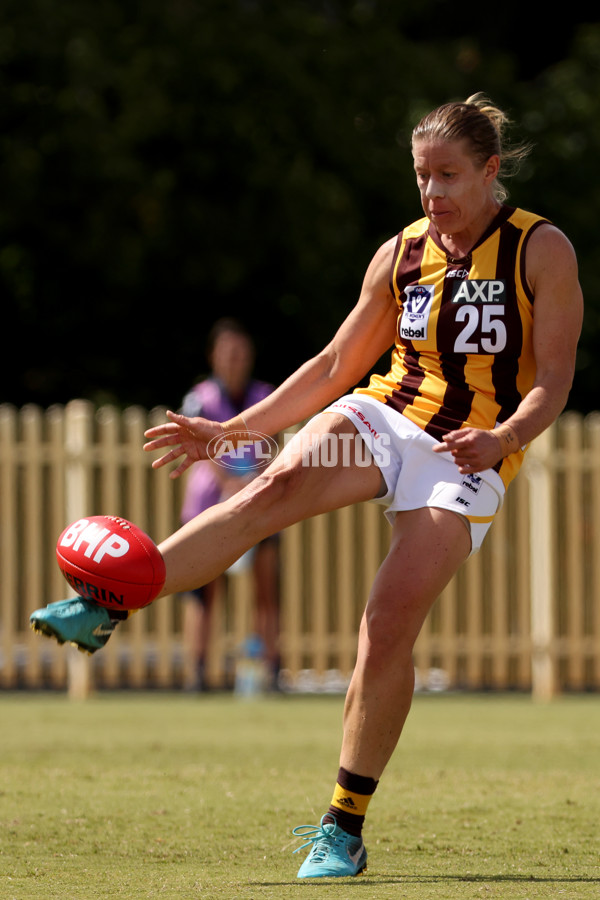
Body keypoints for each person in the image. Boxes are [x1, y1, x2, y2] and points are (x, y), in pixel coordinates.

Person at [31, 94, 583, 879]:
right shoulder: (401, 254)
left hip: (469, 453)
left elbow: (555, 381)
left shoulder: (541, 250)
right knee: (268, 489)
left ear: (492, 172)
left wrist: (504, 438)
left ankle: (342, 827)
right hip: (387, 414)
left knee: (387, 623)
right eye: (422, 178)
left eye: (449, 177)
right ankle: (107, 601)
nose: (432, 196)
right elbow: (332, 367)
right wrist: (235, 431)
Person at [177, 317, 280, 691]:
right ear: (214, 356)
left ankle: (271, 668)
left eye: (242, 353)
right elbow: (196, 447)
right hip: (208, 506)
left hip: (259, 503)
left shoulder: (266, 395)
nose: (236, 360)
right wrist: (231, 483)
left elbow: (273, 446)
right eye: (228, 352)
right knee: (203, 588)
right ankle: (198, 670)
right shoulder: (198, 398)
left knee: (267, 588)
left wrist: (252, 482)